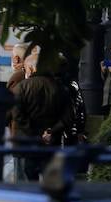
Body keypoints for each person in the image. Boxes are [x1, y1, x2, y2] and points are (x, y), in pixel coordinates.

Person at [10, 50, 73, 181]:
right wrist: (51, 131)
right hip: (51, 142)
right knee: (50, 178)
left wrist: (36, 135)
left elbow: (17, 115)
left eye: (26, 68)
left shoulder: (22, 87)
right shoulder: (61, 88)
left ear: (32, 68)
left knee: (27, 179)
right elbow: (68, 117)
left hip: (28, 142)